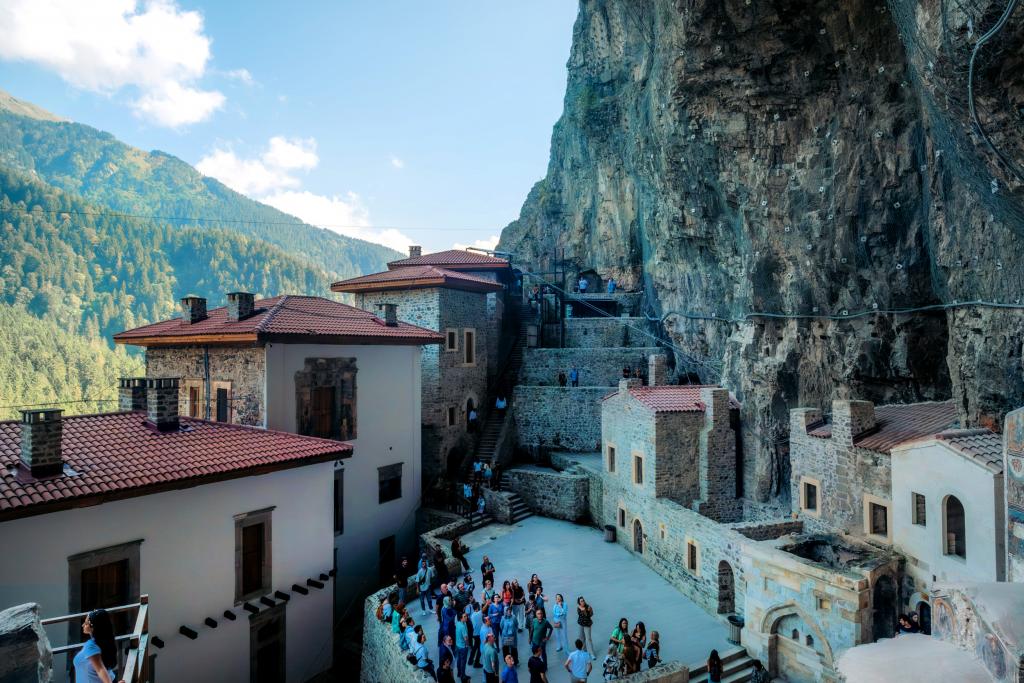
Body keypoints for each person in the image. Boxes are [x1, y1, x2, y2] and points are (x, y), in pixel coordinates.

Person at [74, 609, 118, 683]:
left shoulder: (90, 646)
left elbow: (100, 669)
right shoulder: (103, 643)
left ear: (93, 627)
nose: (83, 625)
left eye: (86, 623)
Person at [455, 611, 470, 682]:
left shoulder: (458, 623)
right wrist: (467, 645)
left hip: (458, 645)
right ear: (461, 618)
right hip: (463, 647)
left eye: (466, 616)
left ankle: (459, 673)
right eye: (464, 617)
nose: (466, 617)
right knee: (463, 663)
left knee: (459, 660)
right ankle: (463, 676)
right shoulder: (463, 626)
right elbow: (466, 638)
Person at [470, 602, 485, 668]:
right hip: (478, 634)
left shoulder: (472, 615)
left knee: (475, 647)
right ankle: (476, 663)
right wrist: (487, 603)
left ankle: (470, 660)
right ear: (477, 608)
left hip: (474, 633)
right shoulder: (478, 614)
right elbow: (483, 610)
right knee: (479, 649)